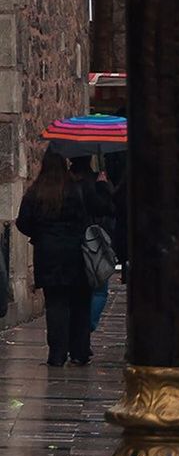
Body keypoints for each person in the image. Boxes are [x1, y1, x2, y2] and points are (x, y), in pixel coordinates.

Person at [15, 153, 107, 366]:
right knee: (80, 303)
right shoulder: (75, 189)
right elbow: (88, 216)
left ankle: (57, 354)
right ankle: (79, 351)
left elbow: (22, 222)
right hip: (75, 252)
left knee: (56, 305)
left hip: (48, 254)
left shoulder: (35, 193)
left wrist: (40, 234)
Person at [68, 155, 116, 331]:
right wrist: (104, 186)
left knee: (76, 293)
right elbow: (109, 208)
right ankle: (87, 327)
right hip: (94, 242)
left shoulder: (65, 182)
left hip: (71, 242)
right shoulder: (93, 182)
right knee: (99, 289)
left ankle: (78, 332)